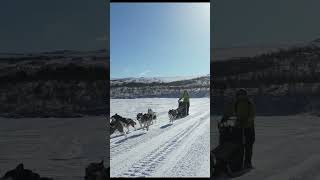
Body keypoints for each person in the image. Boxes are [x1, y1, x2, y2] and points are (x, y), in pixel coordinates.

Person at [233, 88, 256, 169]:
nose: (241, 97)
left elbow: (252, 115)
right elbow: (235, 113)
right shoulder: (237, 103)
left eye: (242, 95)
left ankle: (247, 162)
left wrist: (246, 121)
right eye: (239, 95)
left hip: (248, 127)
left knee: (248, 145)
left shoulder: (249, 103)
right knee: (240, 146)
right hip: (240, 127)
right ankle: (240, 163)